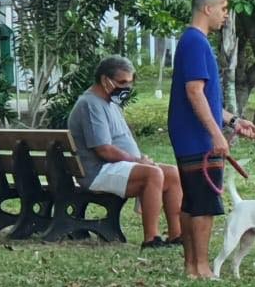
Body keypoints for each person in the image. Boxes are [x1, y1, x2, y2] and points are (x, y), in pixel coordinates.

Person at [167, 0, 255, 280]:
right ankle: (202, 268)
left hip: (189, 133)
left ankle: (192, 267)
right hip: (197, 136)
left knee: (192, 200)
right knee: (204, 203)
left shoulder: (192, 41)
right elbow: (194, 92)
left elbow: (206, 98)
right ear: (207, 9)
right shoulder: (196, 42)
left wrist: (233, 122)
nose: (226, 14)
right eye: (223, 8)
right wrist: (216, 135)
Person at [68, 55, 183, 249]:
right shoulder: (91, 104)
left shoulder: (110, 103)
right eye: (122, 82)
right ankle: (151, 238)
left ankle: (176, 234)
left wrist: (139, 161)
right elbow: (104, 150)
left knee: (172, 173)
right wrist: (138, 161)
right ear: (105, 80)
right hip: (98, 171)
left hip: (116, 167)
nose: (126, 88)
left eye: (129, 83)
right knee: (153, 174)